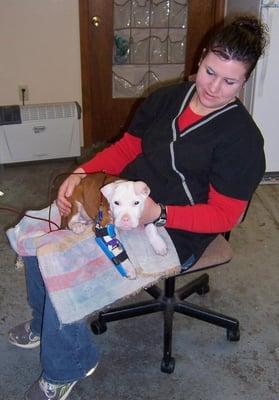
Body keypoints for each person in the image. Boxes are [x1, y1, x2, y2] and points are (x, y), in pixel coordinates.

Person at [8, 16, 268, 400]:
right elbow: (127, 149)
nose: (213, 87)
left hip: (177, 230)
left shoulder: (242, 140)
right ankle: (43, 318)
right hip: (123, 199)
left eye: (229, 81)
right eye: (210, 71)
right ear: (200, 59)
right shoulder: (167, 99)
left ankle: (70, 364)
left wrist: (159, 215)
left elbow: (226, 215)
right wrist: (81, 173)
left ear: (245, 81)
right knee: (35, 229)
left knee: (65, 266)